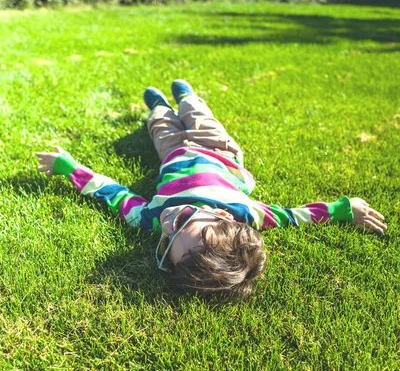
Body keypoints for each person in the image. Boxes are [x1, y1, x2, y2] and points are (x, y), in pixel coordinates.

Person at [35, 80, 387, 299]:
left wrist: (72, 170)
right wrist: (343, 208)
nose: (170, 222)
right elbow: (297, 216)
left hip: (174, 154)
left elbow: (113, 193)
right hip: (219, 150)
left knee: (161, 126)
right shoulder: (249, 214)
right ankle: (187, 96)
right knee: (200, 116)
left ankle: (158, 106)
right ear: (220, 215)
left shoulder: (150, 219)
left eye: (166, 243)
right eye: (185, 220)